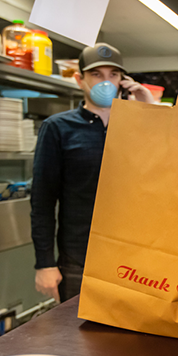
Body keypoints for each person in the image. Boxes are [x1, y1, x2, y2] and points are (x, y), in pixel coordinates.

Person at [31, 43, 155, 303]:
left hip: (134, 258)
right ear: (80, 80)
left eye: (113, 75)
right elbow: (42, 200)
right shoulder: (58, 128)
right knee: (77, 340)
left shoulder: (138, 125)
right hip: (79, 259)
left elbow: (162, 175)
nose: (106, 82)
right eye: (97, 74)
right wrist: (45, 264)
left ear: (123, 81)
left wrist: (149, 110)